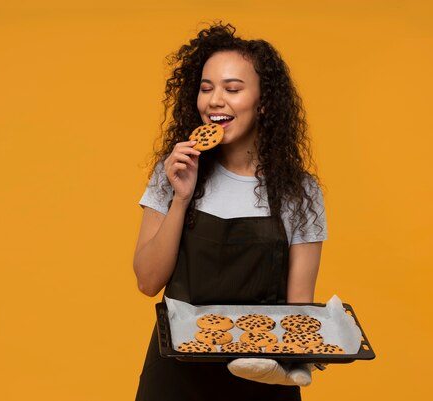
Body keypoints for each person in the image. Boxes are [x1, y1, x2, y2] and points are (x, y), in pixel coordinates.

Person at [133, 22, 327, 401]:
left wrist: (302, 358)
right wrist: (181, 198)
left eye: (232, 89)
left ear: (264, 101)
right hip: (176, 376)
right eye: (206, 89)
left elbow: (298, 305)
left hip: (262, 378)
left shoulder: (298, 191)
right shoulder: (172, 171)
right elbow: (147, 281)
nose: (214, 101)